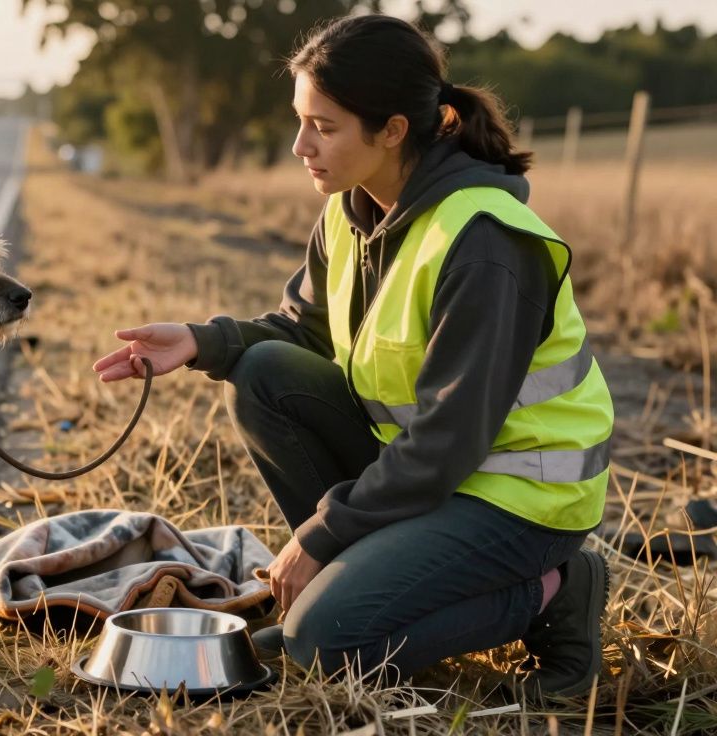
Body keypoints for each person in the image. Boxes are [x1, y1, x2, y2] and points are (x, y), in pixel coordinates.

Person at [92, 13, 613, 700]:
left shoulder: (486, 240)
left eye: (324, 126)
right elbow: (302, 332)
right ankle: (349, 595)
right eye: (299, 120)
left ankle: (557, 590)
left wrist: (323, 534)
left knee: (325, 645)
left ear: (393, 129)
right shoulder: (350, 207)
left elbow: (445, 442)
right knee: (263, 375)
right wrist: (203, 341)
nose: (299, 145)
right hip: (434, 481)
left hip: (523, 504)